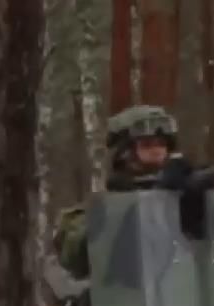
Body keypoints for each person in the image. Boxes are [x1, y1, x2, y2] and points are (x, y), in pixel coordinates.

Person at [53, 105, 195, 278]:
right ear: (124, 154)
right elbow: (79, 256)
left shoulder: (179, 201)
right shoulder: (99, 212)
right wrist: (151, 202)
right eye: (147, 145)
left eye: (162, 144)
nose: (157, 151)